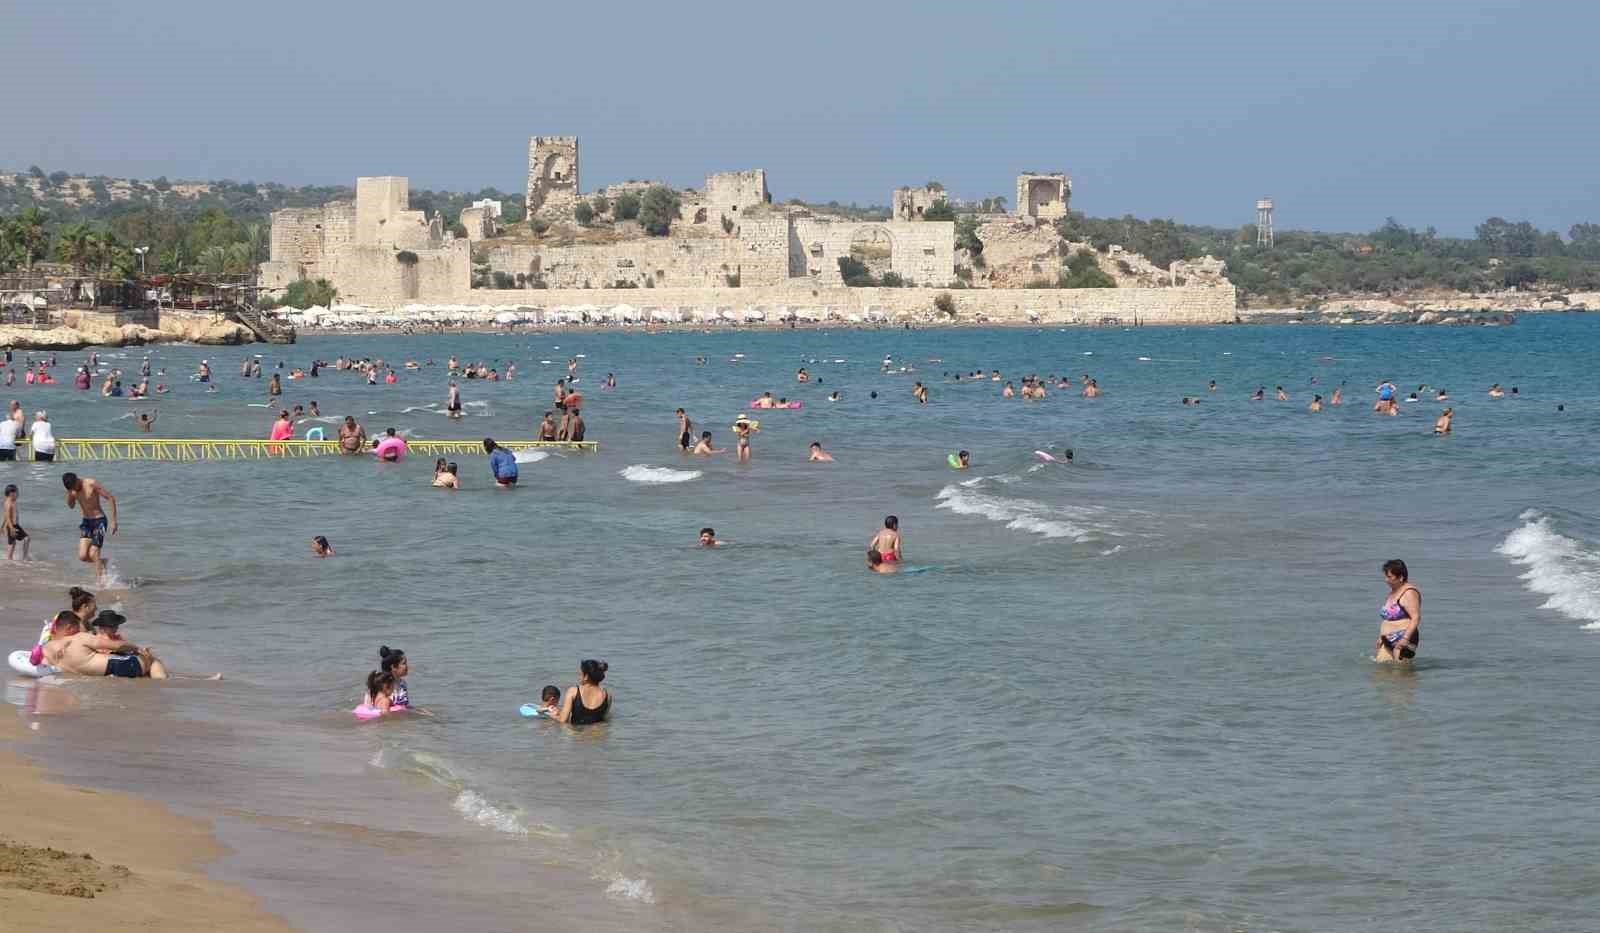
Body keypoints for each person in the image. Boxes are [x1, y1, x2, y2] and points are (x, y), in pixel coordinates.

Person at [50, 611, 168, 679]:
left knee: (144, 667)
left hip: (105, 667)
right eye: (114, 626)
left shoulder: (92, 636)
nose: (116, 628)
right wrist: (139, 649)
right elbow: (116, 649)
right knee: (152, 660)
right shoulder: (91, 638)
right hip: (112, 665)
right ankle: (161, 685)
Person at [62, 472, 116, 577]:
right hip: (86, 522)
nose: (74, 489)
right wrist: (69, 493)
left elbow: (110, 498)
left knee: (93, 553)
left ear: (77, 480)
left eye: (74, 486)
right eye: (71, 488)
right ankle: (102, 562)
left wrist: (113, 521)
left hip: (99, 521)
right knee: (82, 556)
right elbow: (71, 506)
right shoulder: (72, 490)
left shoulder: (91, 483)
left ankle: (100, 583)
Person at [1375, 558, 1421, 662]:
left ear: (1400, 577)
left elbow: (1416, 617)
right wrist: (1381, 637)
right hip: (1387, 639)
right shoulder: (1392, 592)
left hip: (1402, 640)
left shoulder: (1409, 593)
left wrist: (1405, 639)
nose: (1386, 579)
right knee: (1381, 674)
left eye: (1389, 576)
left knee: (1401, 674)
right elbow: (1388, 619)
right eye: (1385, 576)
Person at [550, 659, 610, 725]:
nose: (579, 675)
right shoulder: (607, 695)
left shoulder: (573, 691)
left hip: (577, 734)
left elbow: (563, 720)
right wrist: (560, 711)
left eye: (581, 673)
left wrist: (553, 716)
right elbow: (604, 719)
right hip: (597, 734)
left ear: (586, 676)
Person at [3, 483, 28, 560]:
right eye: (17, 492)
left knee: (12, 543)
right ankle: (24, 557)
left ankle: (10, 558)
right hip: (12, 526)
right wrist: (11, 528)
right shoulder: (9, 503)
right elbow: (7, 517)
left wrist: (2, 526)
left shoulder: (11, 501)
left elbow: (5, 516)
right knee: (26, 538)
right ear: (11, 493)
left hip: (12, 525)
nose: (18, 494)